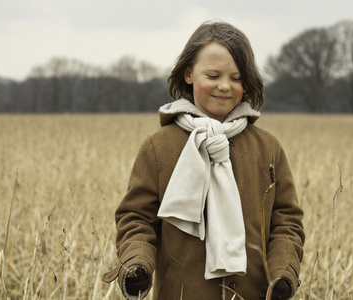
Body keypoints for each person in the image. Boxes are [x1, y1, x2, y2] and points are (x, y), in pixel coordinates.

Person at [102, 20, 305, 300]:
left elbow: (287, 222)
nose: (224, 86)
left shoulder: (268, 148)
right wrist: (137, 263)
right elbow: (136, 218)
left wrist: (282, 275)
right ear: (188, 74)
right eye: (213, 75)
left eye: (236, 78)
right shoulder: (158, 148)